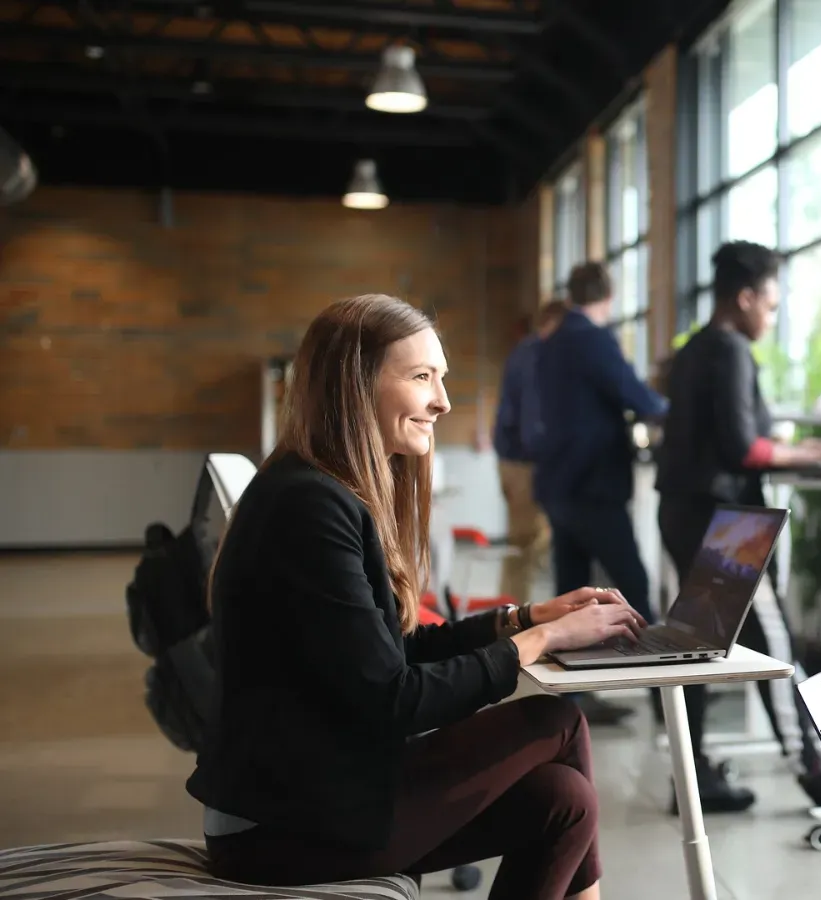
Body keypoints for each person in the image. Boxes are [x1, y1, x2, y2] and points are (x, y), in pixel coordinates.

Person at [187, 294, 646, 900]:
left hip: (305, 793)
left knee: (562, 800)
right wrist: (543, 641)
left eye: (442, 378)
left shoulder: (316, 489)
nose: (443, 401)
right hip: (280, 825)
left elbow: (390, 652)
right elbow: (393, 698)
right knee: (554, 719)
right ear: (355, 387)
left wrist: (525, 617)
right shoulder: (308, 507)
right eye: (422, 377)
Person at [654, 240, 821, 813]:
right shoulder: (730, 349)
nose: (772, 314)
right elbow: (744, 446)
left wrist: (789, 447)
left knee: (696, 647)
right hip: (723, 524)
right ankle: (812, 768)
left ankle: (691, 779)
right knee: (775, 641)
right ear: (744, 298)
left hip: (687, 511)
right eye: (769, 303)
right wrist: (813, 451)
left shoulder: (695, 350)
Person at [533, 263, 669, 725]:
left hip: (557, 484)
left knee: (571, 596)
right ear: (608, 297)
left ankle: (566, 705)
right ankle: (665, 701)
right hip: (593, 486)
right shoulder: (592, 339)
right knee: (633, 589)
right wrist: (676, 410)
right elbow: (640, 398)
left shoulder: (550, 344)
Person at [491, 301, 569, 604]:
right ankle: (511, 617)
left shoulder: (524, 350)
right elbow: (532, 417)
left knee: (524, 542)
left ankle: (510, 610)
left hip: (512, 460)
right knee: (527, 543)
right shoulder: (536, 352)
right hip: (524, 463)